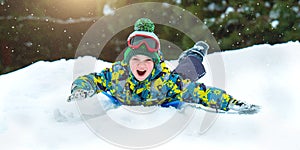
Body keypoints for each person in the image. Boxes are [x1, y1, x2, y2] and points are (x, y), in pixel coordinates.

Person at [68, 18, 260, 114]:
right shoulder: (117, 76)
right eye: (135, 60)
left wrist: (232, 104)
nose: (141, 65)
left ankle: (194, 53)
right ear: (127, 63)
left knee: (187, 73)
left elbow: (203, 93)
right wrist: (81, 89)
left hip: (168, 86)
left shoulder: (167, 82)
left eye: (147, 61)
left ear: (155, 63)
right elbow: (91, 79)